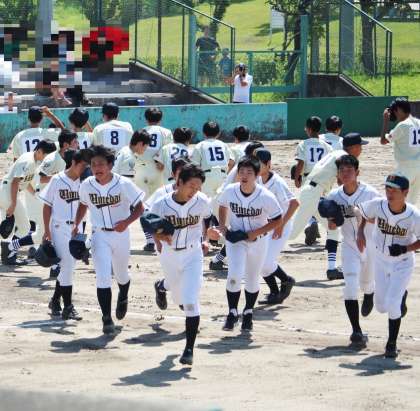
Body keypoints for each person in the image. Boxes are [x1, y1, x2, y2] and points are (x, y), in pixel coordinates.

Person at [73, 145, 145, 334]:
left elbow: (140, 207)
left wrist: (127, 222)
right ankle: (106, 318)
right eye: (93, 164)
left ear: (110, 165)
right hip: (99, 234)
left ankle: (123, 294)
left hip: (121, 235)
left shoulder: (123, 183)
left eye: (101, 164)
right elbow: (83, 205)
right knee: (103, 276)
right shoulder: (87, 184)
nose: (97, 168)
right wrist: (76, 224)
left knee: (121, 274)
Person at [152, 164, 212, 366]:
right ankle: (162, 286)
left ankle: (189, 350)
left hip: (193, 254)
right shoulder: (161, 204)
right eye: (191, 186)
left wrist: (208, 238)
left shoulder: (202, 201)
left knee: (190, 301)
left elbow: (208, 218)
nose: (194, 191)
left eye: (198, 187)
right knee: (178, 297)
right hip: (169, 255)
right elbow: (148, 224)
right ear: (179, 182)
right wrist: (158, 236)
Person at [289, 133, 368, 280]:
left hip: (314, 193)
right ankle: (262, 237)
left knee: (334, 228)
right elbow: (343, 182)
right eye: (360, 146)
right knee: (291, 233)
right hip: (314, 194)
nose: (361, 150)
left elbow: (339, 180)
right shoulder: (343, 157)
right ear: (353, 147)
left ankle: (332, 269)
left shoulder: (336, 152)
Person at [357, 173, 420, 358]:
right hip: (380, 260)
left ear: (405, 192)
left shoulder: (414, 215)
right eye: (387, 188)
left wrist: (405, 248)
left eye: (394, 190)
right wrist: (360, 231)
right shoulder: (378, 205)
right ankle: (401, 297)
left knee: (392, 304)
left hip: (403, 263)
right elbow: (363, 212)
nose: (389, 193)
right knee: (381, 307)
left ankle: (391, 344)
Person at [217, 156, 284, 332]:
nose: (244, 175)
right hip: (236, 241)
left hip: (258, 242)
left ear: (257, 175)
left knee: (252, 278)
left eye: (249, 172)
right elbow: (222, 206)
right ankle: (232, 313)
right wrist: (223, 227)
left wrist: (255, 232)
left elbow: (278, 219)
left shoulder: (265, 196)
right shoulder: (230, 191)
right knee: (234, 275)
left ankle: (248, 312)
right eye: (241, 172)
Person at [326, 155, 379, 345]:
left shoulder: (371, 193)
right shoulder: (334, 196)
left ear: (357, 172)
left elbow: (381, 218)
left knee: (367, 284)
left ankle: (370, 294)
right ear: (338, 174)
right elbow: (331, 227)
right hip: (349, 246)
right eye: (342, 170)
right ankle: (356, 331)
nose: (345, 173)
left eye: (349, 170)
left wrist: (358, 213)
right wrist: (333, 218)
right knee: (349, 286)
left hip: (371, 247)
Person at [40, 149, 92, 320]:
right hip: (59, 227)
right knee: (68, 266)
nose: (85, 169)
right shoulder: (57, 180)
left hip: (77, 229)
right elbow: (47, 206)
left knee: (68, 267)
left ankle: (55, 300)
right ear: (74, 163)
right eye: (83, 165)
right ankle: (68, 307)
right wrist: (47, 231)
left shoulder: (84, 182)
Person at [0, 140, 57, 265]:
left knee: (13, 227)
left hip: (7, 192)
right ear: (39, 151)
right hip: (7, 193)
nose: (48, 159)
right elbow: (15, 182)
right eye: (47, 155)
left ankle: (8, 254)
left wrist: (35, 194)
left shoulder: (33, 160)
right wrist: (13, 204)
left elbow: (25, 182)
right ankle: (9, 253)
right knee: (24, 226)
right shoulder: (28, 161)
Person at [255, 148, 299, 305]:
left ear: (268, 164)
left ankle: (286, 280)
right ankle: (275, 292)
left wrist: (281, 225)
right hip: (268, 225)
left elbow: (295, 203)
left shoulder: (277, 183)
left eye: (259, 164)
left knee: (266, 262)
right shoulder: (258, 179)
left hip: (282, 225)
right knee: (259, 261)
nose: (255, 167)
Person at [381, 98, 420, 205]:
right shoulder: (418, 122)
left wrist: (385, 121)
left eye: (394, 110)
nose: (394, 114)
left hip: (405, 168)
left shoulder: (402, 125)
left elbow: (383, 141)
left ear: (399, 109)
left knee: (396, 197)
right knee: (412, 200)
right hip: (418, 167)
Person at [134, 108, 172, 200]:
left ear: (146, 119)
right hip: (158, 168)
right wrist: (160, 161)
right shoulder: (166, 132)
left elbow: (134, 151)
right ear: (160, 119)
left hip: (141, 168)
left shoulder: (140, 131)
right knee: (157, 199)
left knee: (142, 199)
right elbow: (168, 150)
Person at [191, 121, 234, 201]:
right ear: (218, 133)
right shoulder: (223, 144)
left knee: (206, 203)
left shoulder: (200, 145)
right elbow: (231, 162)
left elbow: (194, 166)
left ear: (203, 133)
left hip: (207, 176)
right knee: (221, 202)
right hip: (222, 176)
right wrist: (226, 174)